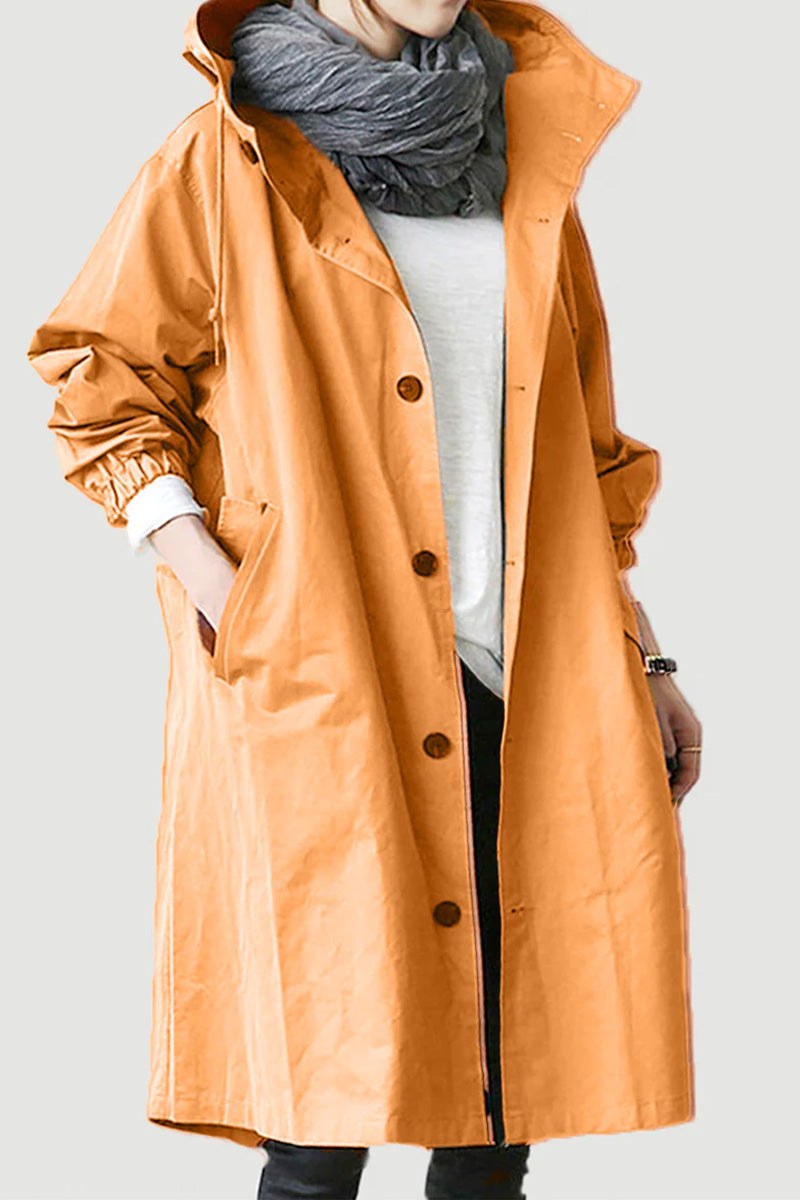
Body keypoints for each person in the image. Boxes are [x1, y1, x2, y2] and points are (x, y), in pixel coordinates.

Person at [27, 0, 703, 1195]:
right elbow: (102, 377)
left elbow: (580, 443)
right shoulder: (226, 154)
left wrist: (639, 653)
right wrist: (227, 589)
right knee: (318, 1123)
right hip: (328, 676)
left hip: (522, 674)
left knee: (496, 1114)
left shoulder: (521, 157)